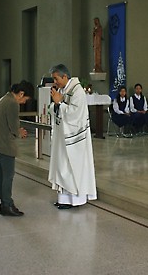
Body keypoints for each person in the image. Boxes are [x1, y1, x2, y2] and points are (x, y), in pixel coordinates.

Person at [48, 64, 97, 209]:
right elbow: (54, 107)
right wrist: (56, 105)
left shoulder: (77, 91)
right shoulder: (62, 90)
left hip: (75, 139)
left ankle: (75, 200)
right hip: (62, 137)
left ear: (64, 76)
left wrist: (59, 103)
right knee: (62, 166)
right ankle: (63, 199)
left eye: (56, 79)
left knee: (72, 168)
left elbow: (75, 115)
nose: (55, 82)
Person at [0, 81, 33, 216]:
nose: (23, 102)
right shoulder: (12, 103)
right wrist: (20, 132)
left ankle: (4, 203)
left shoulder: (4, 98)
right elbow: (13, 126)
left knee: (2, 175)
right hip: (4, 144)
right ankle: (7, 204)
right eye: (25, 99)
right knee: (8, 176)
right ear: (21, 94)